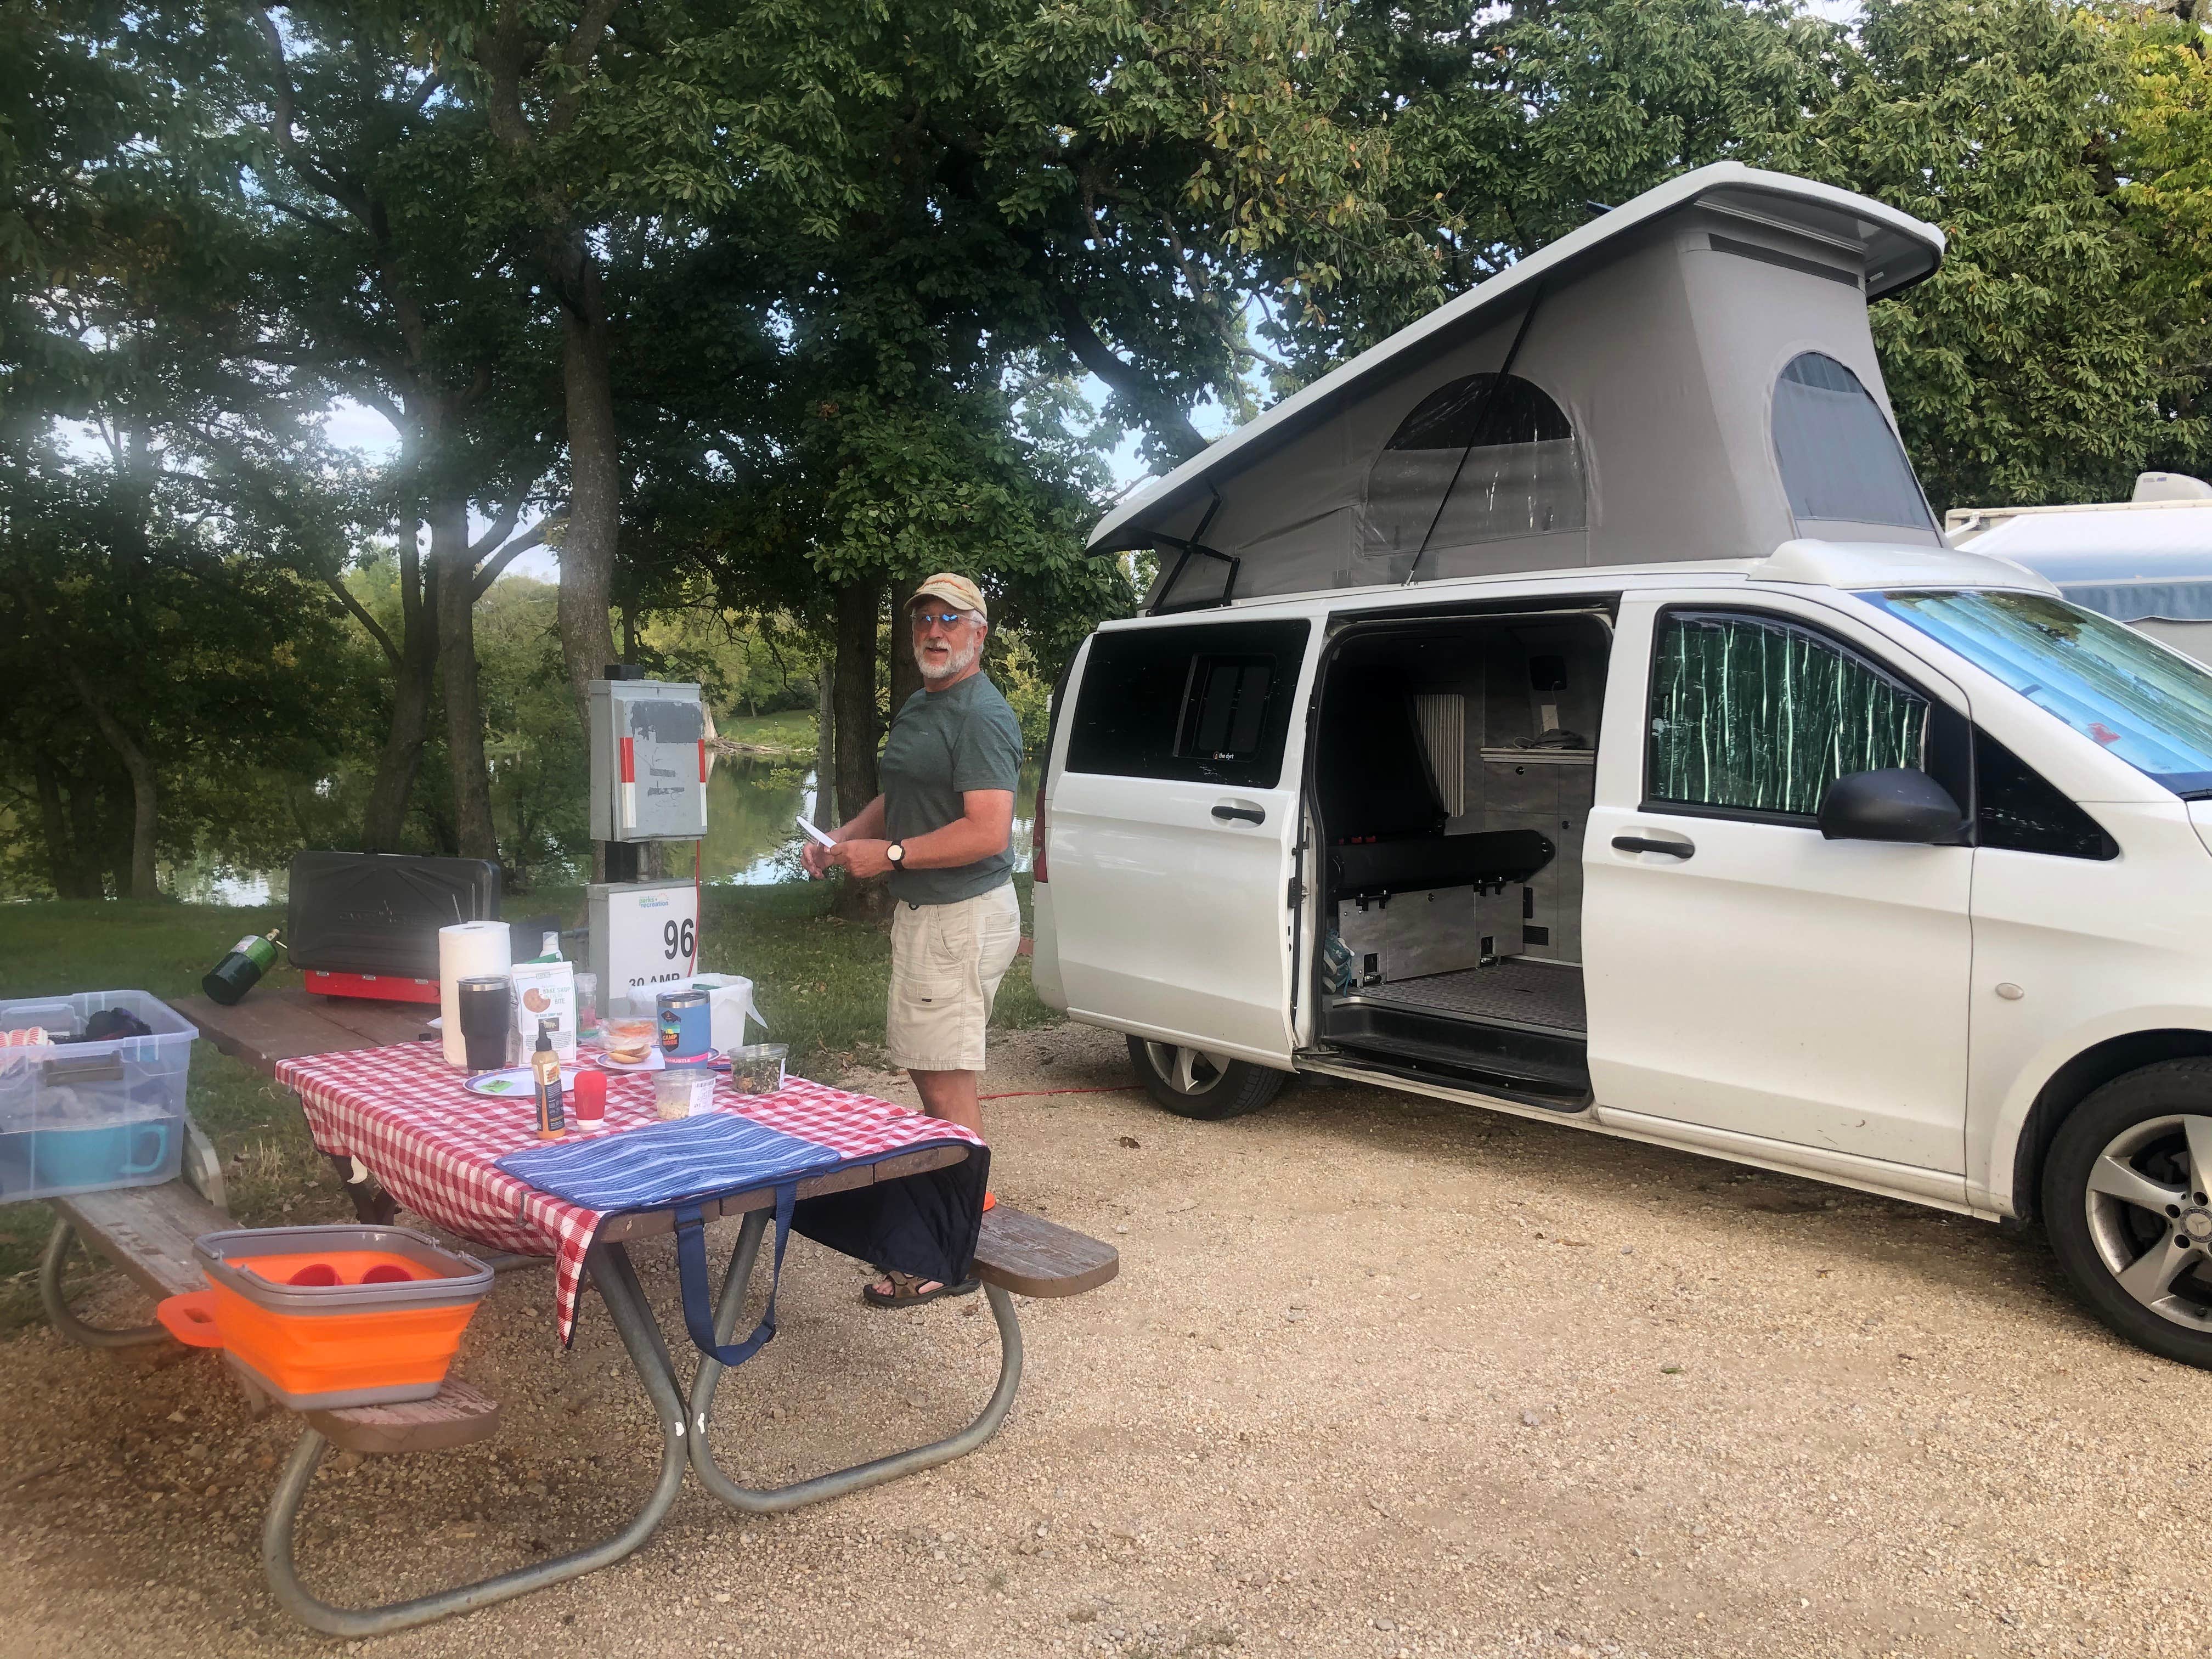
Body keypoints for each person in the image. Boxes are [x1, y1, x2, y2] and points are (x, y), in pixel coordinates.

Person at [802, 572, 1024, 1307]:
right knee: (931, 1073)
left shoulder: (983, 715)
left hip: (962, 914)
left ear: (979, 633)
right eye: (924, 619)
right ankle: (961, 1223)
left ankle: (955, 1251)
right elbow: (898, 795)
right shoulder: (924, 703)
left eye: (950, 620)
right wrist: (844, 837)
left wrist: (892, 856)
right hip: (929, 914)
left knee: (946, 1079)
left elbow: (989, 829)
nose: (934, 630)